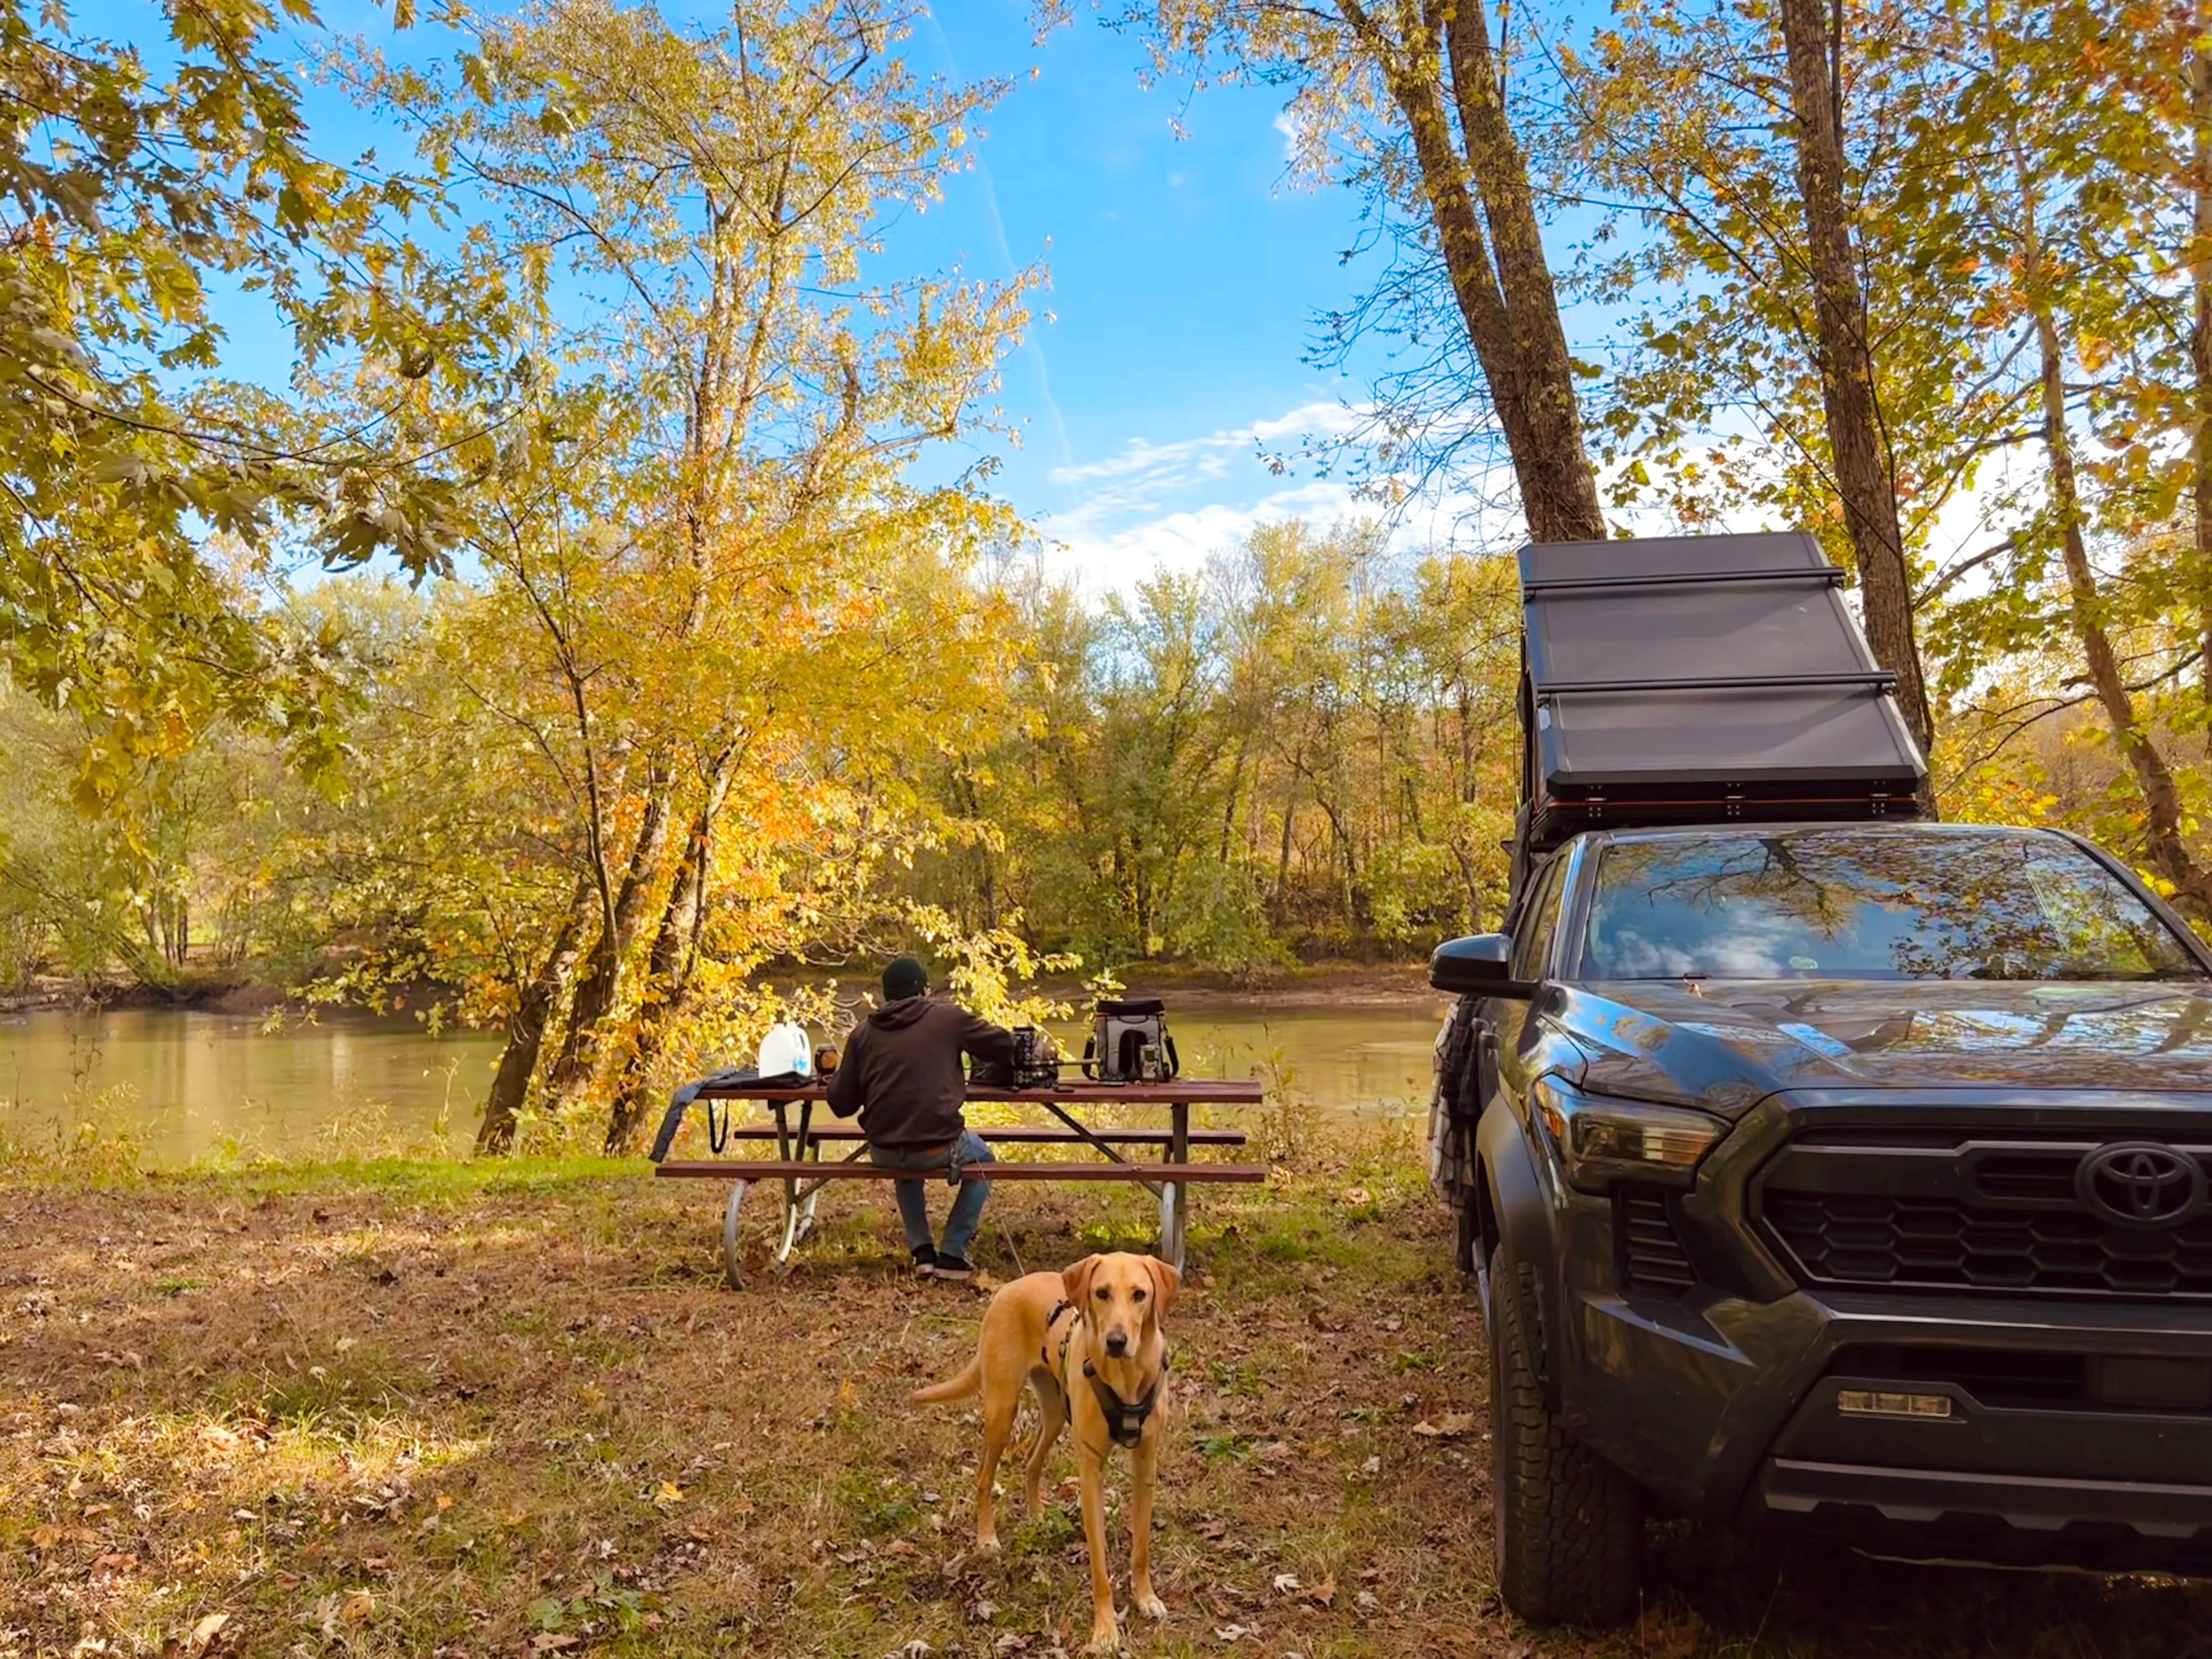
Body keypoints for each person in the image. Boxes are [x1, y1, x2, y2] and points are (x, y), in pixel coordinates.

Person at [827, 956, 1015, 1281]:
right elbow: (1004, 1045)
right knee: (984, 1160)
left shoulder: (863, 1034)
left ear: (888, 996)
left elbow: (841, 1104)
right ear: (924, 990)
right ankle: (953, 1253)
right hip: (938, 1145)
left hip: (885, 1149)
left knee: (906, 1170)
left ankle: (923, 1253)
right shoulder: (948, 1018)